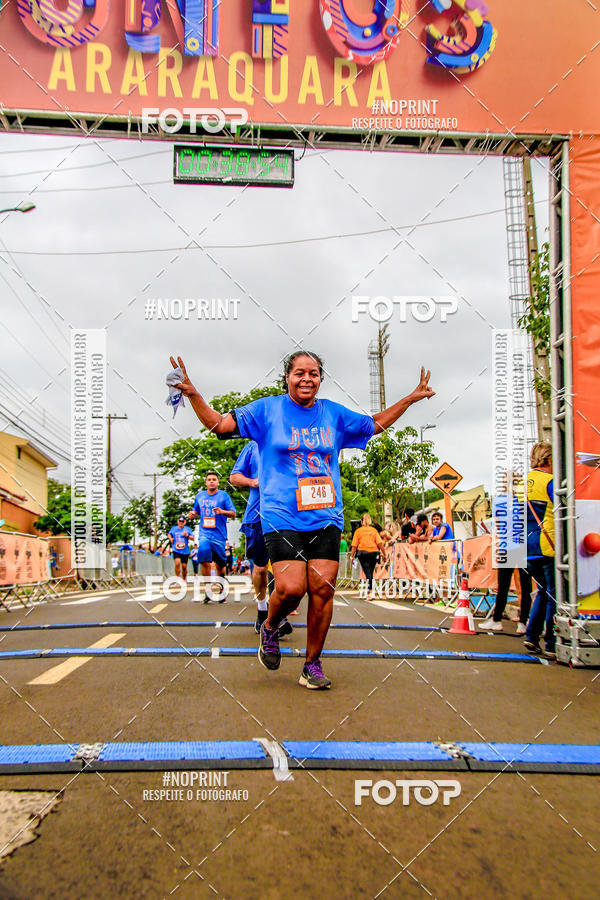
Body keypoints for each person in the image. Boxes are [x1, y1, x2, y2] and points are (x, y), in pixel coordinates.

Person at [170, 351, 434, 689]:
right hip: (281, 513)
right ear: (287, 377)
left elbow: (374, 424)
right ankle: (270, 627)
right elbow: (220, 424)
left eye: (313, 373)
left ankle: (312, 664)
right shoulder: (266, 411)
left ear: (321, 378)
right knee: (292, 588)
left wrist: (409, 399)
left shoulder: (333, 414)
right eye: (299, 373)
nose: (306, 379)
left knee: (322, 590)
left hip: (325, 514)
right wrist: (193, 394)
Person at [523, 442, 556, 659]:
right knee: (554, 594)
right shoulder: (551, 481)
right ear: (549, 459)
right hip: (548, 544)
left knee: (542, 592)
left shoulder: (521, 484)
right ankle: (553, 642)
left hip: (526, 547)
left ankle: (532, 635)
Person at [188, 472, 236, 602]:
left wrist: (222, 511)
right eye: (209, 479)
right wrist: (193, 514)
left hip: (219, 536)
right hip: (204, 534)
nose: (211, 481)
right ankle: (208, 590)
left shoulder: (223, 496)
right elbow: (196, 511)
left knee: (220, 565)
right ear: (206, 482)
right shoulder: (200, 496)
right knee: (203, 558)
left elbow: (233, 513)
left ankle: (222, 590)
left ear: (218, 482)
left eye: (214, 479)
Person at [350, 513, 384, 600]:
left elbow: (354, 545)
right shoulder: (374, 530)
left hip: (363, 553)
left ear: (361, 522)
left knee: (367, 572)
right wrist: (384, 553)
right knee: (370, 572)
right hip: (374, 552)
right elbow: (380, 543)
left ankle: (371, 591)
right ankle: (370, 591)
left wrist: (352, 556)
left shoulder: (358, 531)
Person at [168, 514, 194, 582]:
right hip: (176, 549)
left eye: (182, 521)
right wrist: (171, 538)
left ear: (185, 522)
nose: (181, 522)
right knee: (177, 563)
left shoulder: (188, 529)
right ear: (178, 521)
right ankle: (177, 578)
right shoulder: (173, 528)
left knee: (184, 567)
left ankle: (184, 579)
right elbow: (169, 534)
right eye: (180, 521)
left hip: (185, 551)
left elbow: (193, 538)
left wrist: (187, 535)